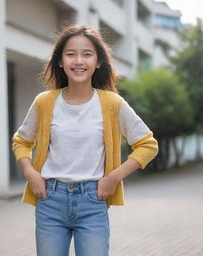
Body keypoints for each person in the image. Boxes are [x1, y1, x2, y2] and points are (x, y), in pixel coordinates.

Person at [12, 24, 158, 256]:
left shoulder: (112, 103)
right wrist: (31, 173)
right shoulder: (44, 102)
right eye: (71, 54)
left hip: (93, 200)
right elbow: (21, 140)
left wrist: (113, 178)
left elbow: (148, 145)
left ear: (98, 62)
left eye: (87, 54)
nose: (78, 60)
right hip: (50, 199)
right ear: (60, 61)